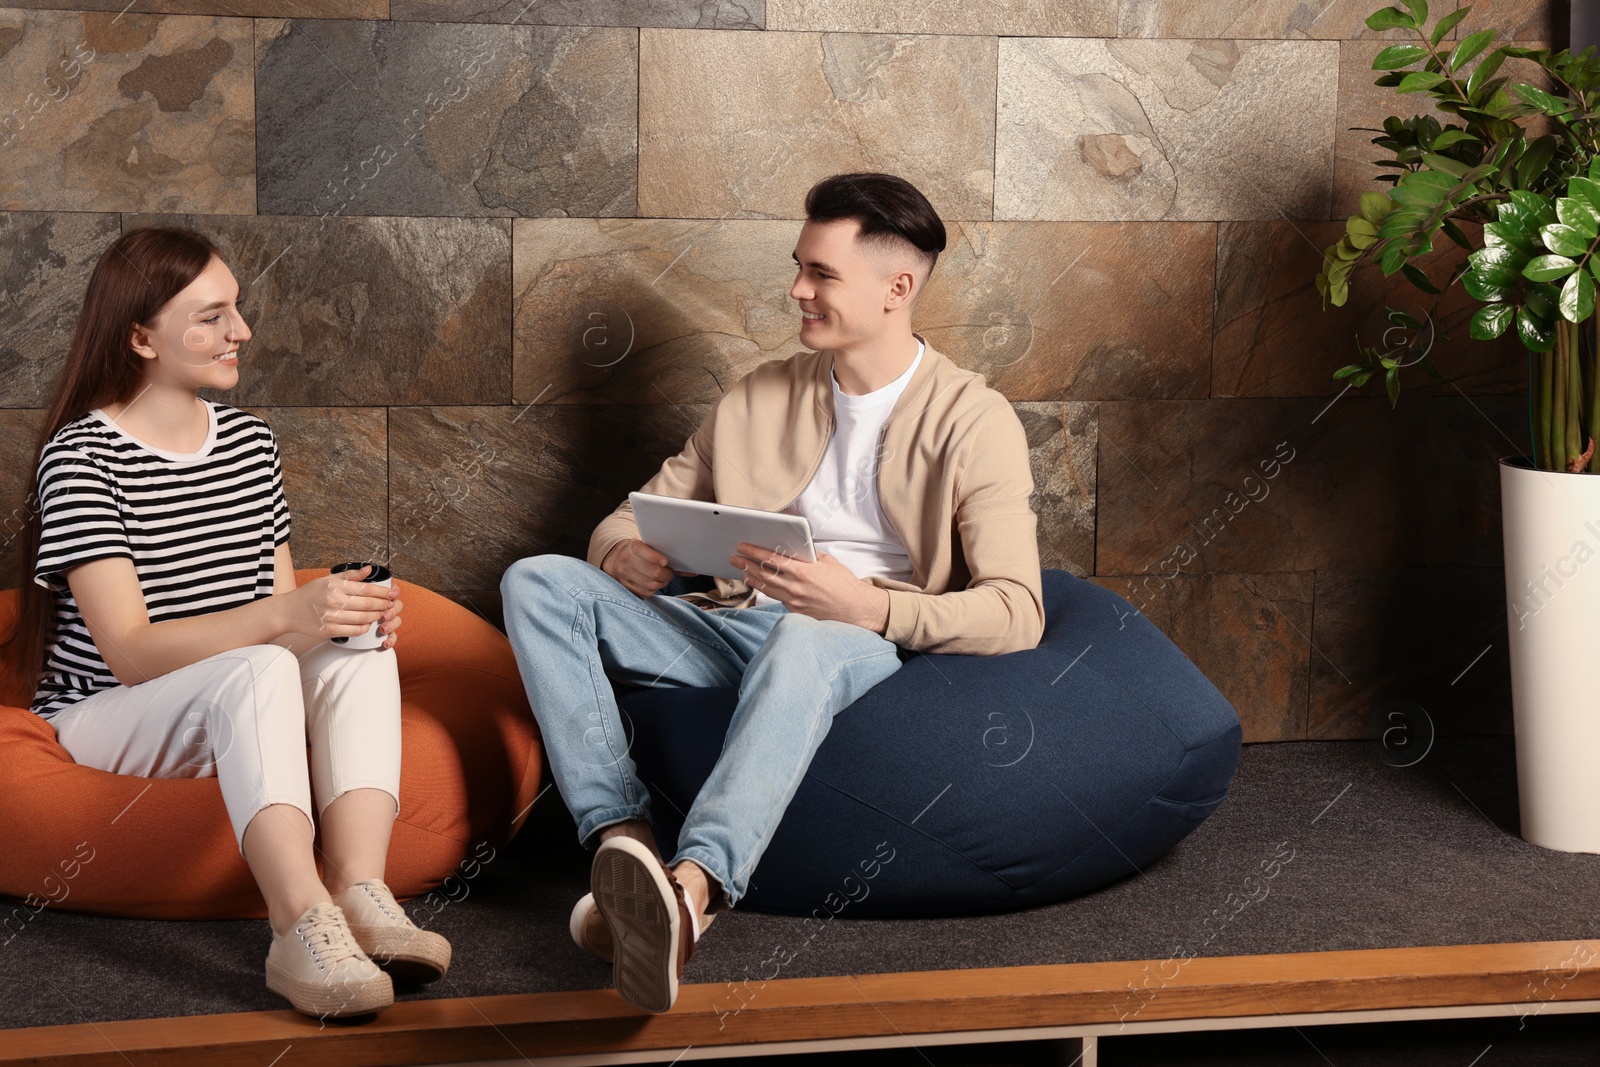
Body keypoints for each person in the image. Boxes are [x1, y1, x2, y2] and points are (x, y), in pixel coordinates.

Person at [500, 172, 1044, 1013]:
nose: (797, 289)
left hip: (855, 639)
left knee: (806, 631)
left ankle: (692, 891)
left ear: (898, 288)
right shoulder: (758, 395)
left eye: (820, 273)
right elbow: (624, 516)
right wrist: (620, 556)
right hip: (729, 623)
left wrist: (867, 606)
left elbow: (1018, 609)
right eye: (800, 266)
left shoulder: (975, 420)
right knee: (537, 582)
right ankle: (625, 846)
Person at [4, 227, 450, 1020]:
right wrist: (288, 616)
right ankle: (296, 924)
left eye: (235, 311)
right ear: (141, 336)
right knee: (265, 665)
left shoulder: (249, 443)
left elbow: (281, 628)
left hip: (236, 688)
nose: (239, 332)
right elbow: (134, 655)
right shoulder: (82, 457)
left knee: (357, 649)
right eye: (211, 316)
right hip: (105, 713)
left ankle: (358, 891)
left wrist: (340, 616)